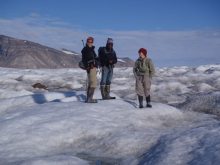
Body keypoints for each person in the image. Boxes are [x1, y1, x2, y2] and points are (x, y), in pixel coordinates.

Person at [81, 37, 99, 103]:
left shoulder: (92, 50)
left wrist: (97, 60)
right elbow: (84, 60)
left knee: (91, 82)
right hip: (90, 67)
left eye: (91, 42)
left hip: (93, 67)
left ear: (92, 42)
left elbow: (95, 57)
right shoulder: (85, 50)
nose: (89, 43)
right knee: (93, 83)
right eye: (88, 41)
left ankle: (89, 97)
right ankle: (90, 98)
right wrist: (87, 67)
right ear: (86, 42)